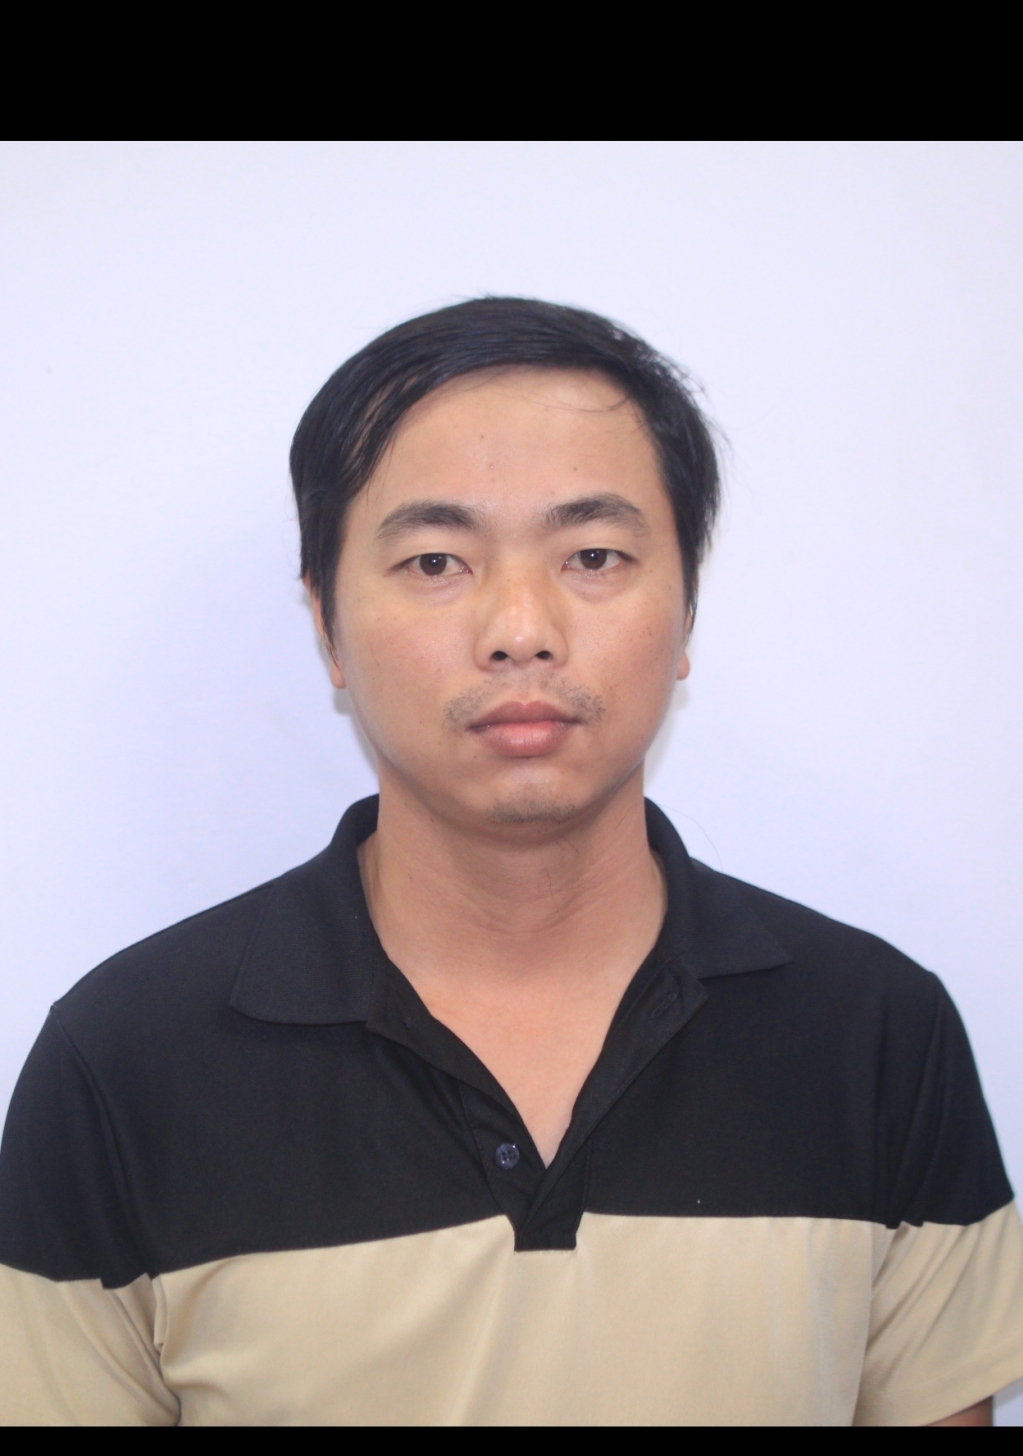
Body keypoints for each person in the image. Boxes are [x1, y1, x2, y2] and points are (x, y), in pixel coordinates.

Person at [1, 298, 1021, 1427]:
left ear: (685, 607)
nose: (520, 627)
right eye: (436, 561)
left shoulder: (875, 1036)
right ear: (326, 625)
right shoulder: (123, 1065)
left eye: (594, 555)